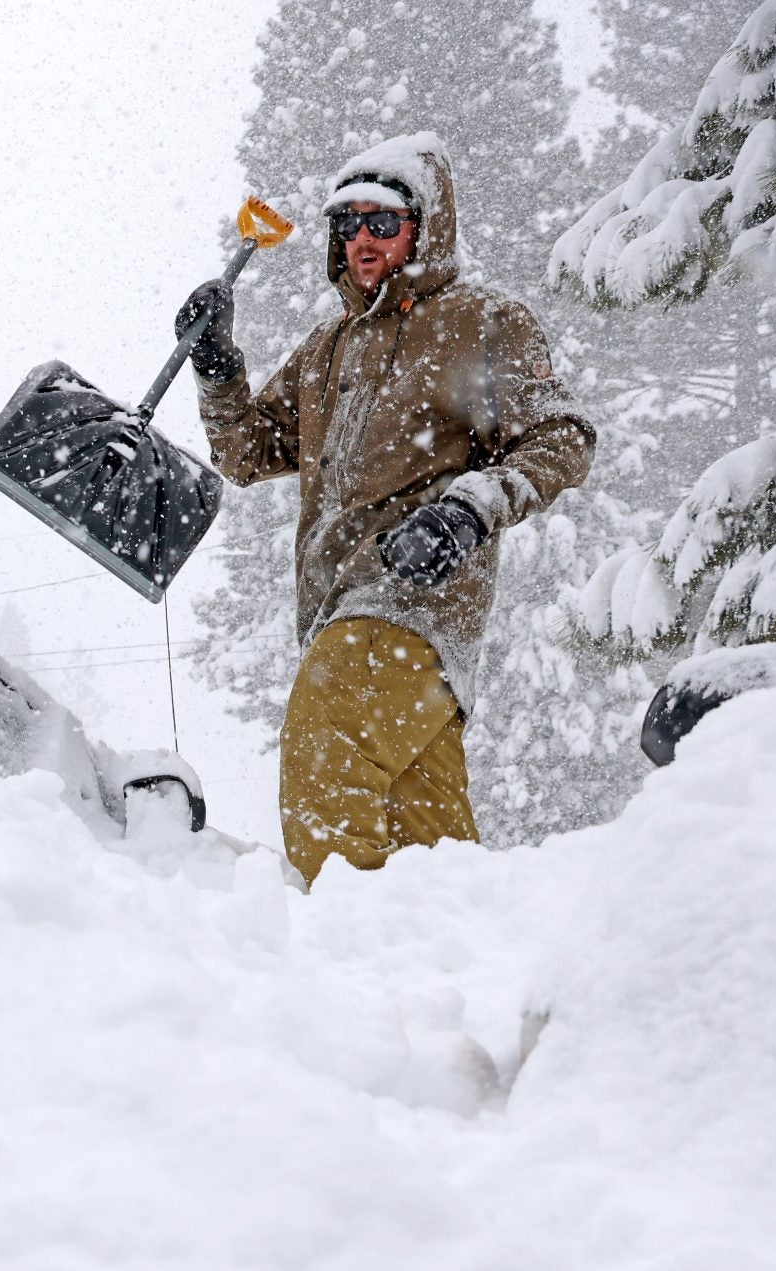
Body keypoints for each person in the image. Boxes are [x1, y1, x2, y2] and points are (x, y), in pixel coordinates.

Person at [176, 134, 595, 884]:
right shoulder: (327, 348)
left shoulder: (478, 321)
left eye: (382, 221)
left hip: (413, 602)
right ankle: (455, 976)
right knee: (427, 856)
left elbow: (562, 437)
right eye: (347, 224)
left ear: (425, 226)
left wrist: (468, 509)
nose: (361, 240)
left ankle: (342, 963)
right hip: (339, 612)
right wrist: (217, 368)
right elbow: (247, 454)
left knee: (325, 752)